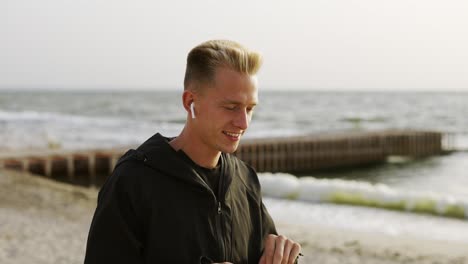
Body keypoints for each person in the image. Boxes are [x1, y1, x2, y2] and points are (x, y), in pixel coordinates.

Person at [84, 39, 301, 264]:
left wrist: (284, 257)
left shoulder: (245, 179)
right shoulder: (133, 181)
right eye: (231, 107)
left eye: (249, 108)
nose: (243, 122)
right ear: (190, 102)